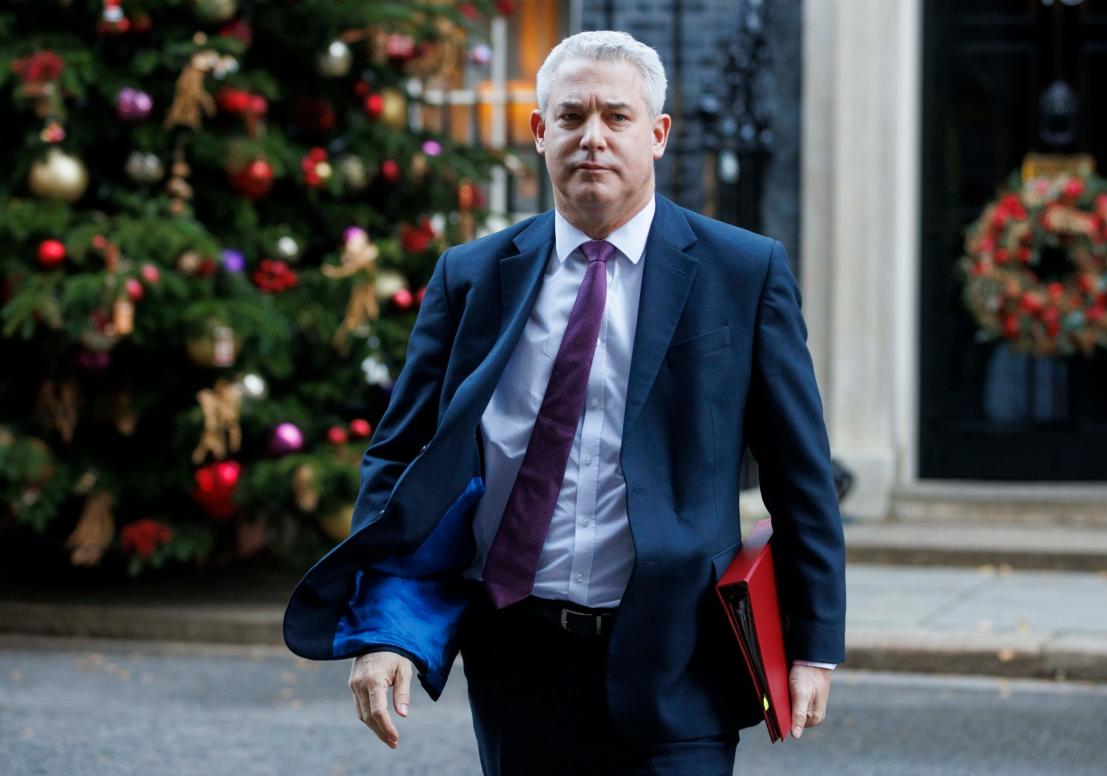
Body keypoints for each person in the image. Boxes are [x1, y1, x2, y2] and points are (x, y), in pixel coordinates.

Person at [284, 29, 845, 775]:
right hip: (517, 652)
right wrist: (383, 627)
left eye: (616, 117)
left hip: (678, 655)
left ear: (657, 135)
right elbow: (404, 458)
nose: (592, 139)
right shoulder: (471, 277)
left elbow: (798, 473)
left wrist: (812, 645)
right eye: (571, 117)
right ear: (539, 132)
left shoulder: (742, 272)